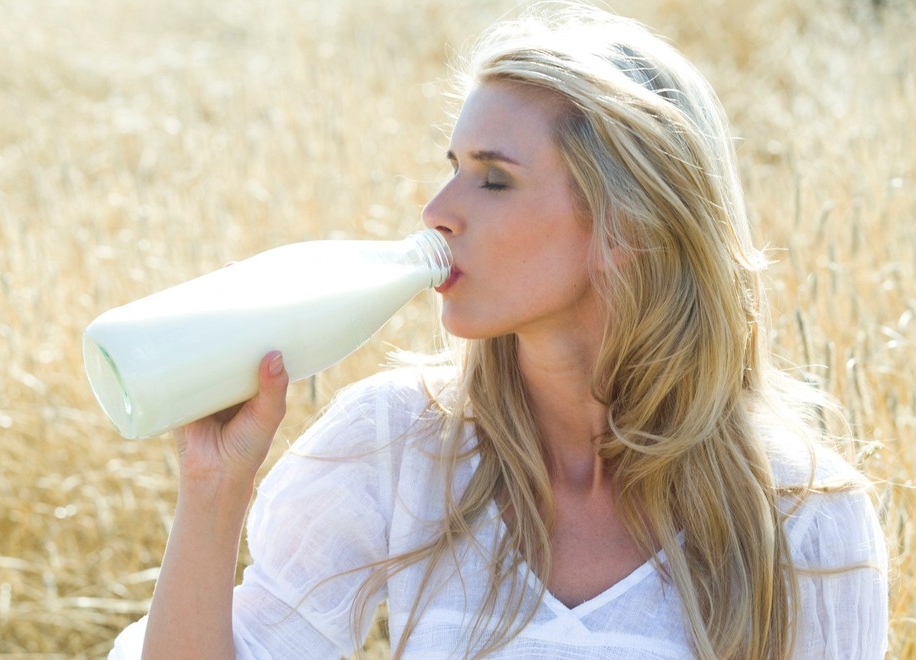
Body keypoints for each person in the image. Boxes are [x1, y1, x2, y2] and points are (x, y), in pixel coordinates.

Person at [110, 3, 889, 658]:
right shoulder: (399, 446)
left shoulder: (804, 519)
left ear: (630, 224)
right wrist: (213, 494)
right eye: (451, 165)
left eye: (493, 177)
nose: (438, 210)